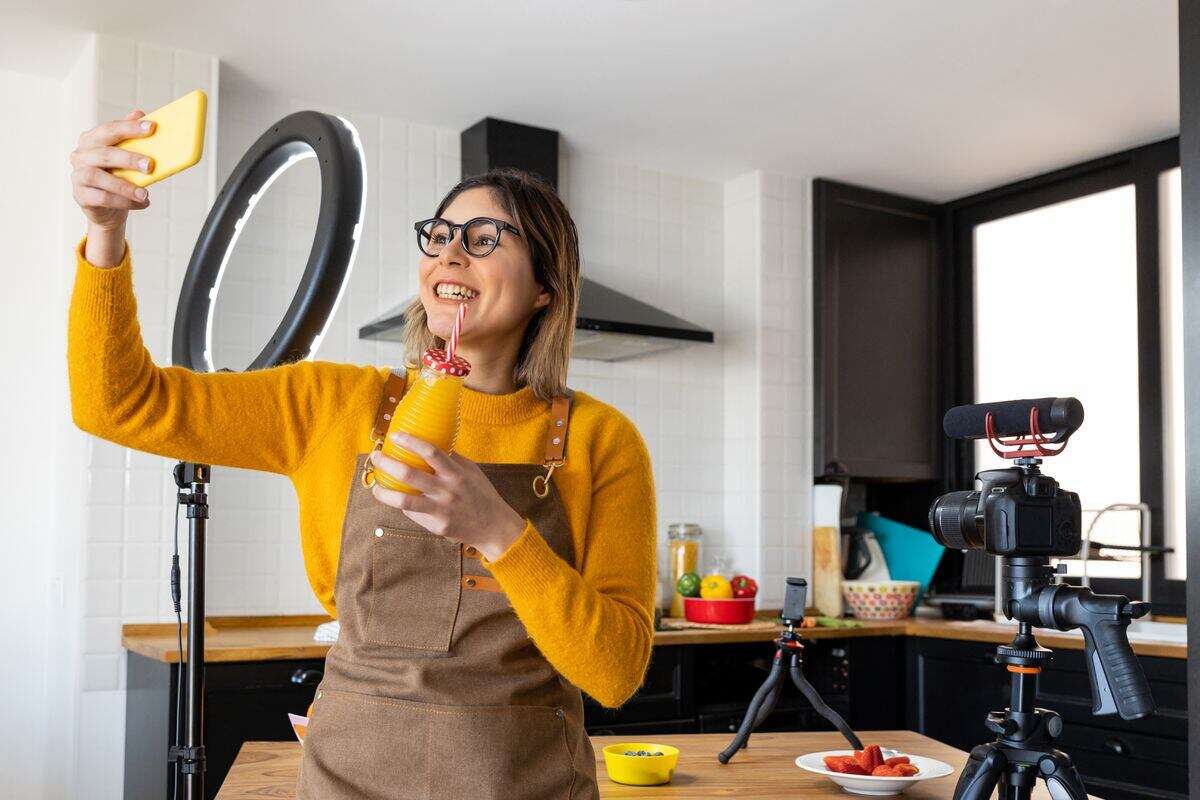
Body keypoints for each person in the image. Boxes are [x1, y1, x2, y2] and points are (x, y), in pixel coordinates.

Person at [67, 109, 657, 799]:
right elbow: (116, 403)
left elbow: (615, 674)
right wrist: (105, 234)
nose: (448, 254)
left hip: (526, 783)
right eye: (438, 237)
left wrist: (499, 532)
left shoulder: (600, 440)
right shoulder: (331, 403)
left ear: (546, 286)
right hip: (351, 779)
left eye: (484, 238)